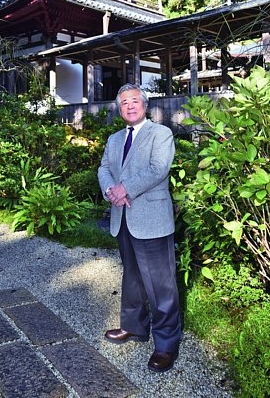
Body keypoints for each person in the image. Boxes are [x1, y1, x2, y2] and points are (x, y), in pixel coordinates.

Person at [98, 83, 181, 373]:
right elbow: (104, 168)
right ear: (119, 109)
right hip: (123, 218)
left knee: (161, 284)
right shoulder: (114, 139)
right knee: (131, 278)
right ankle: (134, 327)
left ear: (144, 105)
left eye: (134, 101)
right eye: (124, 103)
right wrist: (111, 189)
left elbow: (158, 169)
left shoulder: (161, 134)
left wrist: (124, 190)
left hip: (152, 220)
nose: (130, 106)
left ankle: (166, 344)